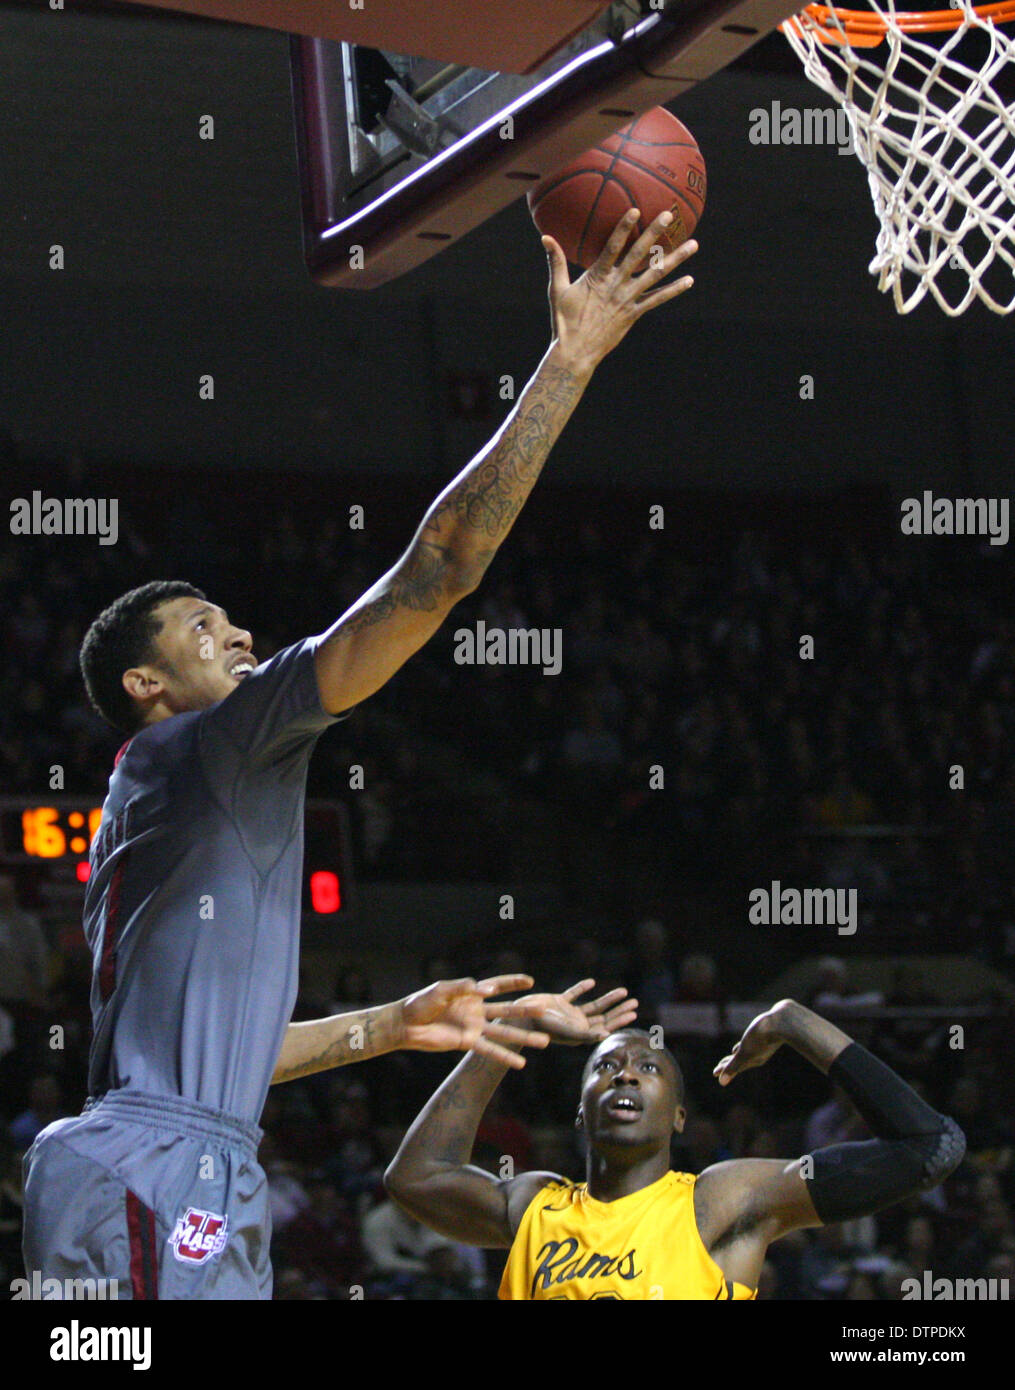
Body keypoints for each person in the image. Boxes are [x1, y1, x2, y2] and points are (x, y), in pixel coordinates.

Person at [21, 210, 696, 1300]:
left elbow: (226, 1064)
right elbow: (437, 571)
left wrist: (392, 1024)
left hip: (160, 1156)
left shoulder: (154, 811)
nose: (238, 636)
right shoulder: (208, 745)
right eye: (203, 628)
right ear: (146, 686)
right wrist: (569, 362)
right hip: (158, 1170)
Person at [384, 993, 966, 1300]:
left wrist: (795, 1024)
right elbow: (414, 1178)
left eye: (647, 1067)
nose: (626, 1075)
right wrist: (509, 1026)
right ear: (580, 1114)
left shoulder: (719, 1202)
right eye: (605, 1066)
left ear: (680, 1118)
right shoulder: (537, 1204)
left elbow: (930, 1145)